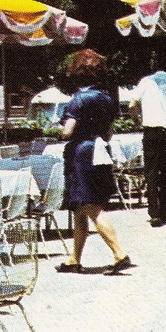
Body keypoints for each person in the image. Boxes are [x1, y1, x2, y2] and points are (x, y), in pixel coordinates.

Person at [56, 49, 133, 276]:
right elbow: (108, 133)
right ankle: (74, 259)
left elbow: (67, 132)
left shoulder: (78, 99)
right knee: (80, 208)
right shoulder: (108, 99)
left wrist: (58, 129)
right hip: (99, 152)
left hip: (81, 154)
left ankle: (119, 254)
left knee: (92, 207)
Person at [130, 57, 166, 226]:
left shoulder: (145, 82)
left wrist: (137, 120)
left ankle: (153, 211)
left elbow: (132, 105)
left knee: (151, 172)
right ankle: (165, 210)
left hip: (151, 131)